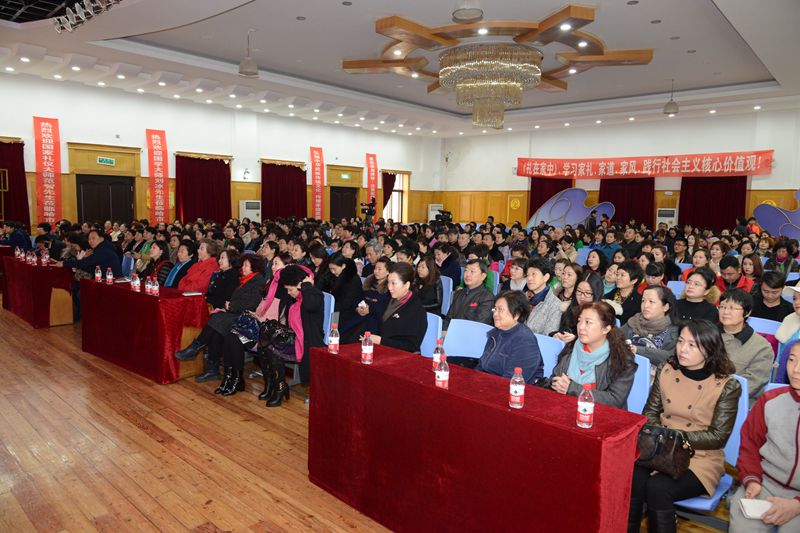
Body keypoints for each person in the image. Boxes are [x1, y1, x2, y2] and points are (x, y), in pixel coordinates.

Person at [629, 320, 741, 533]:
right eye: (680, 341)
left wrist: (674, 438)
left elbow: (718, 436)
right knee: (633, 476)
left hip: (699, 457)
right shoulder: (667, 370)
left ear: (709, 349)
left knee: (658, 488)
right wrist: (663, 439)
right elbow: (650, 412)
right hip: (659, 449)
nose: (682, 349)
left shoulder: (726, 385)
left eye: (692, 345)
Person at [729, 342, 800, 533]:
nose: (796, 369)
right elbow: (750, 444)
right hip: (765, 483)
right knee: (742, 528)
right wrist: (751, 479)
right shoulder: (770, 400)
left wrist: (797, 504)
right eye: (792, 360)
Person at [176, 255, 266, 386]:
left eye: (246, 265)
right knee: (217, 328)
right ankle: (211, 368)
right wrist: (229, 307)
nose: (243, 268)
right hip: (236, 313)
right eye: (243, 265)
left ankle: (196, 348)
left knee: (218, 320)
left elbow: (252, 304)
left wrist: (231, 306)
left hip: (247, 318)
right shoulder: (246, 280)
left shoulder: (258, 282)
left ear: (255, 267)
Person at [546, 301, 636, 409]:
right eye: (579, 321)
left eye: (588, 322)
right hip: (565, 408)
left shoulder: (622, 359)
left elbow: (614, 400)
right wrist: (556, 383)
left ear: (606, 329)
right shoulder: (572, 346)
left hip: (602, 414)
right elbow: (554, 378)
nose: (581, 327)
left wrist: (572, 389)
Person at [259, 264, 325, 406]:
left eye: (290, 289)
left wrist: (306, 286)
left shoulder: (314, 295)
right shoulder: (297, 298)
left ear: (300, 285)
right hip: (296, 339)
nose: (288, 293)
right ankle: (272, 385)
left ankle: (280, 388)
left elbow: (310, 305)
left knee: (273, 349)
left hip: (308, 342)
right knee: (264, 343)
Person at [719, 289, 775, 406]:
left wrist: (713, 392)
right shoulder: (706, 335)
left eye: (732, 308)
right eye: (722, 307)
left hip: (735, 405)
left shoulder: (762, 347)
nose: (726, 312)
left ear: (747, 313)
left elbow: (752, 384)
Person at [475, 291, 544, 383]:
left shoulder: (525, 341)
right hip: (489, 382)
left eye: (500, 309)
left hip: (511, 388)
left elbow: (512, 380)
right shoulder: (495, 333)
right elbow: (481, 365)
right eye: (495, 309)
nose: (495, 314)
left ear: (517, 314)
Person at [363, 262, 427, 353]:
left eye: (394, 283)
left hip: (400, 355)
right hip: (382, 349)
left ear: (407, 285)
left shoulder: (416, 310)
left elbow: (411, 346)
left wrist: (381, 341)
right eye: (388, 282)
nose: (389, 287)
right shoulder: (389, 299)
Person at [622, 286, 680, 365]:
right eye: (643, 301)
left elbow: (670, 357)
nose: (645, 305)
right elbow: (615, 339)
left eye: (651, 301)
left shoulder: (673, 330)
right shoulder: (634, 321)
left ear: (666, 307)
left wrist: (638, 350)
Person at [553, 272, 607, 343]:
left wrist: (576, 340)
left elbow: (600, 342)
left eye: (587, 293)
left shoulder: (603, 314)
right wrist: (557, 335)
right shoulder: (570, 308)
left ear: (596, 294)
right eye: (579, 291)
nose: (582, 297)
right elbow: (562, 330)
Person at [443, 259, 495, 331]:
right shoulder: (458, 293)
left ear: (483, 276)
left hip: (470, 334)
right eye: (466, 270)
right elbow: (448, 318)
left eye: (472, 271)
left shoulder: (487, 298)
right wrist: (444, 331)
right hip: (452, 332)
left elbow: (478, 325)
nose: (467, 274)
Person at [524, 257, 563, 336]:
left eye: (534, 274)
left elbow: (548, 336)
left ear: (546, 277)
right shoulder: (522, 298)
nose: (529, 278)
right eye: (527, 275)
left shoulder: (555, 305)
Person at [327, 252, 363, 335]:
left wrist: (331, 308)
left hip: (349, 313)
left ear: (343, 266)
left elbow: (347, 303)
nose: (332, 272)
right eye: (330, 269)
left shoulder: (352, 279)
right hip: (337, 309)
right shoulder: (337, 276)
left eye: (334, 269)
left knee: (333, 330)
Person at [605, 260, 643, 326]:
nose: (618, 278)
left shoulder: (639, 301)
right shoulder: (608, 297)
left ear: (634, 280)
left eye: (622, 275)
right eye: (617, 274)